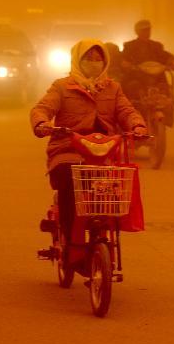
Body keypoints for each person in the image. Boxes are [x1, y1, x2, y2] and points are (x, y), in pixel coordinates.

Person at [30, 39, 147, 243]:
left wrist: (137, 126)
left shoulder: (113, 88)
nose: (94, 62)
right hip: (67, 149)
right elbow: (42, 108)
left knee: (113, 190)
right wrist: (41, 123)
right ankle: (69, 238)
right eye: (88, 58)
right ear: (77, 60)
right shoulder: (62, 87)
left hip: (104, 151)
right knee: (68, 180)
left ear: (105, 62)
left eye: (98, 59)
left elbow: (126, 111)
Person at [120, 19, 174, 126]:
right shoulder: (129, 46)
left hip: (157, 78)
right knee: (131, 88)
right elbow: (123, 58)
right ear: (137, 32)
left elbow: (165, 56)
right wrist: (126, 64)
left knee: (165, 89)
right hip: (136, 77)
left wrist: (173, 62)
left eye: (148, 30)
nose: (146, 32)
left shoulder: (157, 46)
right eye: (143, 30)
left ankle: (167, 117)